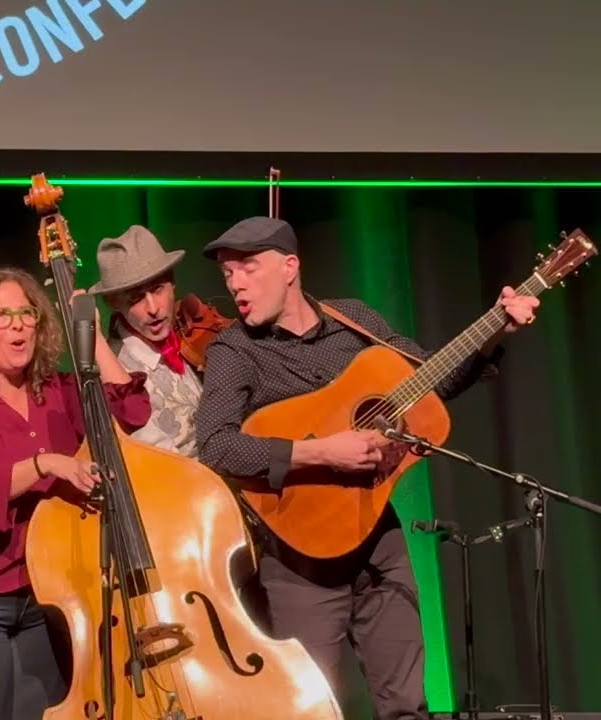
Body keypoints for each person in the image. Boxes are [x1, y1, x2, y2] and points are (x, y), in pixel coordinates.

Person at [193, 216, 538, 719]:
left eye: (248, 268)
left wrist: (494, 331)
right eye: (227, 274)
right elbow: (216, 448)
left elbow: (430, 382)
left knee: (407, 703)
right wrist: (320, 452)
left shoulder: (352, 320)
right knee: (308, 711)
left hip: (378, 537)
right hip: (298, 557)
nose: (235, 284)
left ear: (290, 267)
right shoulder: (234, 350)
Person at [0, 267, 151, 720]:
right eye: (2, 316)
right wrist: (45, 463)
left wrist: (92, 335)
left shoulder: (57, 391)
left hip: (43, 599)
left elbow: (131, 412)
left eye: (26, 313)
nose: (19, 324)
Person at [89, 225, 228, 458]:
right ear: (114, 303)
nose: (153, 309)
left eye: (158, 289)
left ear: (172, 285)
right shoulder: (115, 374)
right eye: (136, 299)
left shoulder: (188, 337)